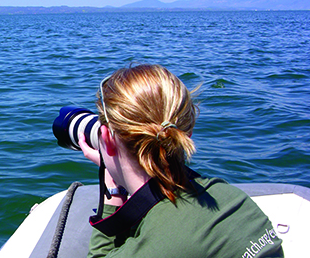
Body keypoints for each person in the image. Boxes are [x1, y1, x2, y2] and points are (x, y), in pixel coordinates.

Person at [78, 64, 283, 257]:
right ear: (187, 133)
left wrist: (112, 190)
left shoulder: (164, 242)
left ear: (106, 138)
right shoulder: (231, 198)